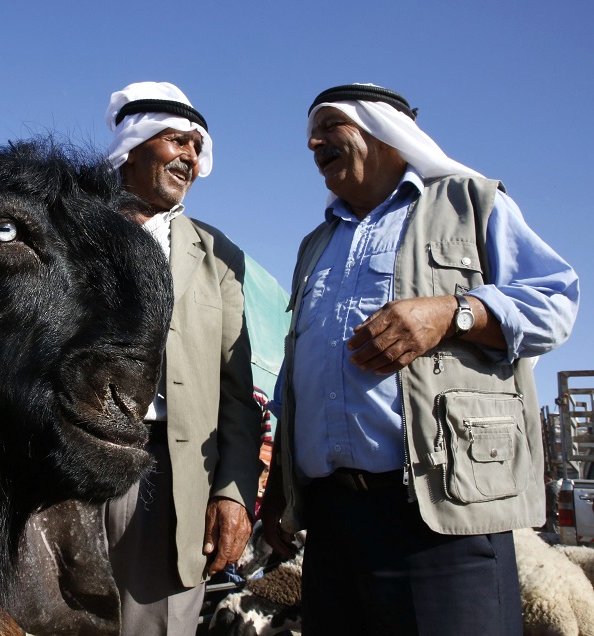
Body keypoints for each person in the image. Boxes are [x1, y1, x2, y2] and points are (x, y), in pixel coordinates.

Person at [260, 83, 580, 635]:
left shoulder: (470, 203)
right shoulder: (315, 244)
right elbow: (297, 375)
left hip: (440, 519)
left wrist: (454, 312)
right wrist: (280, 491)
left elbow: (555, 301)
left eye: (330, 126)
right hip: (332, 527)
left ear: (384, 133)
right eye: (310, 133)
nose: (313, 141)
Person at [103, 81, 263, 635]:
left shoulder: (218, 255)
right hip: (70, 468)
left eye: (197, 147)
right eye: (177, 142)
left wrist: (232, 491)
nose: (190, 158)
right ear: (133, 145)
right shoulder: (74, 231)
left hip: (171, 478)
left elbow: (239, 395)